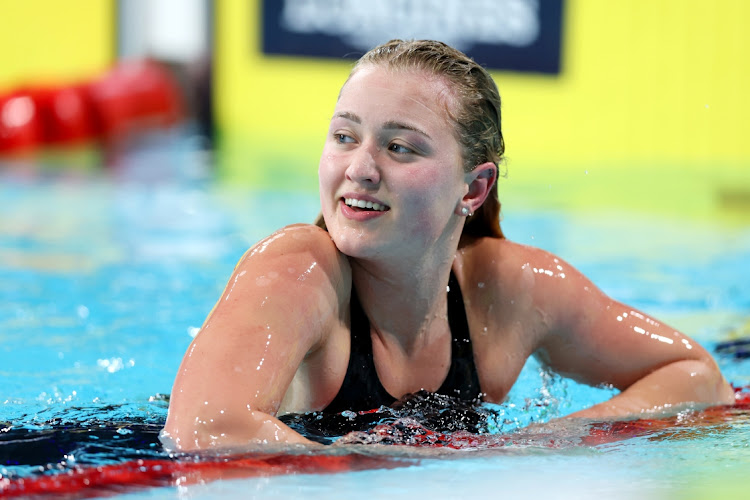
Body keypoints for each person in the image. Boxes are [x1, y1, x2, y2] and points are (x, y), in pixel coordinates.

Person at [161, 39, 734, 451]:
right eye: (344, 137)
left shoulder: (508, 289)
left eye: (400, 148)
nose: (359, 169)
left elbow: (696, 376)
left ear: (475, 187)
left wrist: (544, 440)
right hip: (103, 457)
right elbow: (202, 432)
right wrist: (379, 462)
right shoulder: (298, 270)